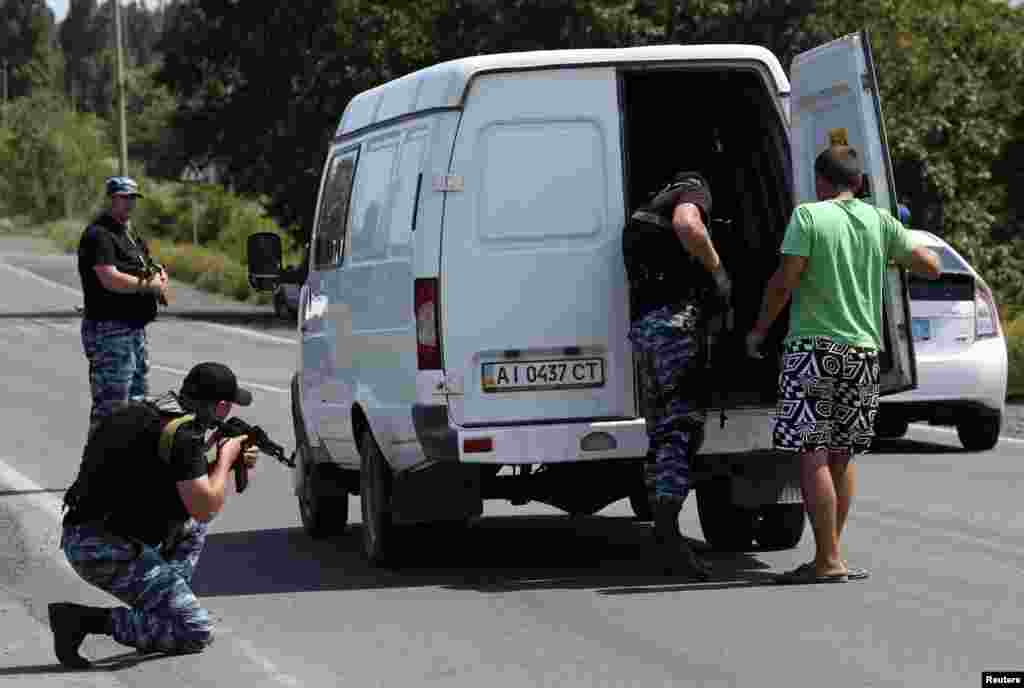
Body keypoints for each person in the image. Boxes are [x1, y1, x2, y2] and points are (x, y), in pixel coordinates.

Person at [745, 145, 940, 584]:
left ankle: (827, 560)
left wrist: (759, 330)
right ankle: (830, 556)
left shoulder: (809, 217)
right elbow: (930, 265)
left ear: (821, 180)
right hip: (863, 352)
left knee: (812, 454)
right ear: (857, 182)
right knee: (843, 453)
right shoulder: (879, 221)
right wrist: (886, 253)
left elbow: (784, 281)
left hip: (813, 350)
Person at [49, 362, 258, 669]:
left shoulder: (146, 414)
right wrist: (225, 461)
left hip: (87, 533)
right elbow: (205, 506)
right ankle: (82, 620)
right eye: (227, 408)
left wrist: (211, 462)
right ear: (221, 406)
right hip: (103, 550)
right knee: (194, 631)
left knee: (193, 526)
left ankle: (167, 606)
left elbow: (175, 489)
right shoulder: (183, 437)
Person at [623, 171, 733, 580]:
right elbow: (689, 224)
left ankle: (663, 533)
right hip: (673, 327)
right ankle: (670, 543)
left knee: (662, 430)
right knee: (680, 430)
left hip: (647, 327)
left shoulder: (649, 205)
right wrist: (717, 272)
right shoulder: (692, 190)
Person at [77, 176, 170, 437]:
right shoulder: (99, 235)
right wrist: (148, 285)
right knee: (112, 407)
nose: (128, 204)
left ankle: (128, 464)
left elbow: (150, 266)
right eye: (122, 198)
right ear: (110, 200)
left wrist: (160, 277)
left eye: (132, 199)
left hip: (134, 329)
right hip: (110, 330)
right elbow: (109, 277)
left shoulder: (129, 235)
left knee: (137, 404)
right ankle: (98, 469)